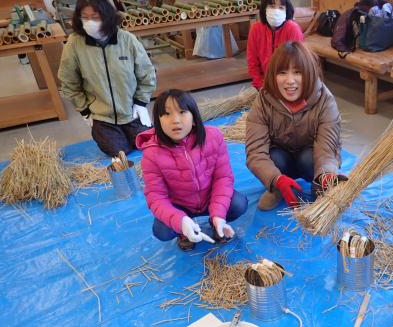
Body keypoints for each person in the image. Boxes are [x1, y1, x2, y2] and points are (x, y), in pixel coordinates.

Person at [138, 89, 248, 251]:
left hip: (209, 198)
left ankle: (215, 223)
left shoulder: (213, 137)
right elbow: (155, 196)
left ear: (193, 115)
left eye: (182, 112)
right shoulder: (151, 153)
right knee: (162, 230)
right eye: (167, 114)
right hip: (180, 205)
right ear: (158, 120)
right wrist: (180, 221)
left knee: (238, 204)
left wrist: (218, 215)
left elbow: (223, 178)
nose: (175, 120)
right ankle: (186, 232)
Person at [246, 41, 344, 210]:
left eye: (298, 72)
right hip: (281, 159)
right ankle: (277, 188)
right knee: (275, 157)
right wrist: (276, 179)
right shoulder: (263, 100)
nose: (290, 81)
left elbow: (326, 150)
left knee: (308, 158)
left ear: (309, 74)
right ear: (273, 75)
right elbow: (255, 152)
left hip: (310, 157)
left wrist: (327, 175)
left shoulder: (325, 100)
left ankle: (319, 185)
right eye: (282, 72)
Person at [58, 0, 156, 157]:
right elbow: (68, 81)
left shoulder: (127, 39)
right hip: (103, 116)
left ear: (107, 16)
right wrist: (84, 110)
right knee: (119, 152)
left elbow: (147, 73)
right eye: (85, 17)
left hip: (131, 111)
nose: (90, 22)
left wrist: (141, 103)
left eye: (95, 17)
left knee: (148, 144)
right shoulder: (74, 44)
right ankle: (104, 131)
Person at [246, 0, 304, 91]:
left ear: (286, 10)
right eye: (272, 6)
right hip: (264, 83)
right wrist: (260, 85)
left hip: (288, 83)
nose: (276, 11)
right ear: (265, 8)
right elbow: (252, 62)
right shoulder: (255, 29)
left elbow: (298, 64)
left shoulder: (293, 29)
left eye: (281, 8)